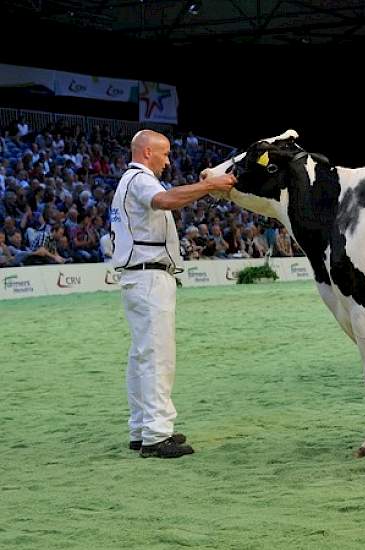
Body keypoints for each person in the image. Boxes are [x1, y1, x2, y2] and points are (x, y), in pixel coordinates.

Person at [111, 129, 236, 458]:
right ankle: (155, 435)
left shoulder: (130, 180)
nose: (168, 161)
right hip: (148, 275)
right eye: (164, 154)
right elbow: (165, 200)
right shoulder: (140, 179)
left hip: (141, 274)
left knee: (142, 356)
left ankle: (142, 428)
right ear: (148, 152)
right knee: (157, 355)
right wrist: (210, 186)